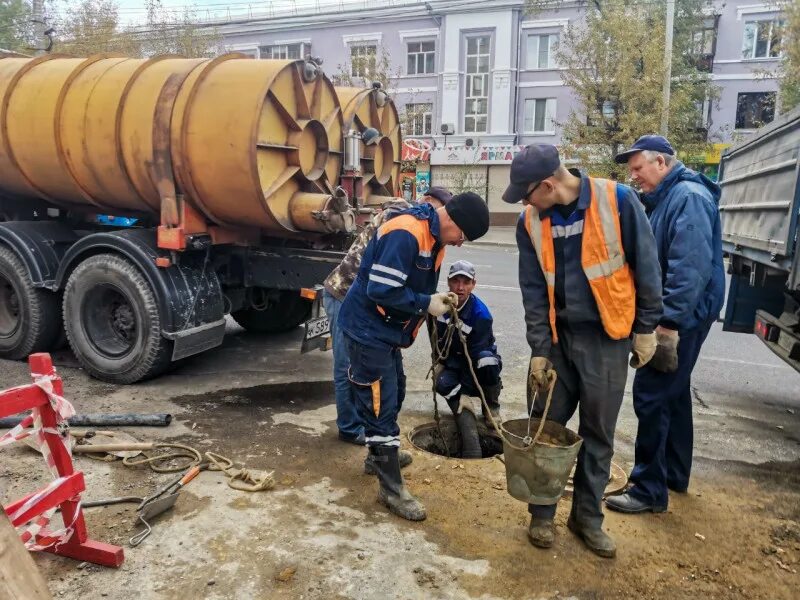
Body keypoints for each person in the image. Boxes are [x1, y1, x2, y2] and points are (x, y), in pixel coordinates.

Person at [503, 144, 662, 558]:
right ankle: (542, 514)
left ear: (548, 184)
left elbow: (647, 266)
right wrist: (539, 348)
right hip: (556, 342)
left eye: (526, 192)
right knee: (543, 428)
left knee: (598, 433)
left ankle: (586, 518)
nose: (523, 202)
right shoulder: (530, 222)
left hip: (606, 340)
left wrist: (645, 329)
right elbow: (533, 289)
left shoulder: (618, 201)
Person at [338, 192, 490, 521]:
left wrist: (433, 300)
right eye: (464, 236)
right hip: (368, 331)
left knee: (396, 392)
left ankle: (377, 457)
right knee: (380, 403)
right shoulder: (407, 233)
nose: (461, 244)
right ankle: (391, 489)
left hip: (387, 332)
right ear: (455, 221)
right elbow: (380, 290)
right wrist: (427, 303)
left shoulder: (435, 238)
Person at [606, 135, 724, 515]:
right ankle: (674, 472)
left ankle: (648, 490)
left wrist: (667, 325)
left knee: (651, 395)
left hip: (680, 318)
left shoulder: (687, 198)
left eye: (639, 168)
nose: (635, 176)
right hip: (682, 314)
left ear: (662, 162)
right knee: (674, 391)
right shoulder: (667, 198)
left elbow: (688, 269)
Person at [323, 187, 453, 445]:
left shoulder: (425, 230)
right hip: (345, 293)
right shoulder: (402, 220)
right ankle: (350, 428)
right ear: (427, 202)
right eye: (441, 209)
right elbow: (385, 285)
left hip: (371, 305)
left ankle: (370, 431)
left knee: (375, 375)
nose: (442, 216)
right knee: (348, 367)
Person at [433, 260, 502, 458]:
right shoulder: (441, 307)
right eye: (456, 281)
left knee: (487, 362)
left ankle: (490, 404)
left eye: (466, 282)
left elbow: (472, 358)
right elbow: (435, 338)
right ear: (448, 282)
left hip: (476, 362)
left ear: (473, 284)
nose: (460, 287)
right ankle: (461, 404)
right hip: (454, 361)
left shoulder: (480, 315)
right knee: (442, 383)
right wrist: (438, 362)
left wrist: (465, 389)